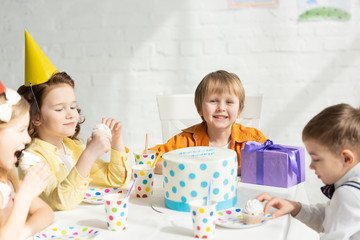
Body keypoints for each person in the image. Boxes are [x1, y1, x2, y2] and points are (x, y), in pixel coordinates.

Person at [16, 31, 131, 211]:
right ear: (35, 117)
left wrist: (117, 142)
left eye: (73, 106)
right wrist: (89, 156)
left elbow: (117, 180)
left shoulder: (72, 148)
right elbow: (60, 202)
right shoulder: (32, 158)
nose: (71, 114)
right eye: (60, 109)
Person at [256, 103, 360, 239]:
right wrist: (294, 207)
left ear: (346, 158)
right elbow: (330, 216)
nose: (311, 166)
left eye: (316, 159)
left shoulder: (348, 195)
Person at [151, 70, 267, 174]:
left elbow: (274, 164)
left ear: (239, 110)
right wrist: (186, 168)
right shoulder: (185, 141)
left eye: (229, 102)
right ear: (199, 108)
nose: (221, 108)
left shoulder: (253, 139)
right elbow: (148, 160)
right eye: (213, 101)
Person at [0, 82, 53, 239]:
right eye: (21, 130)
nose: (28, 138)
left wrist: (20, 233)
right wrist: (24, 197)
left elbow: (46, 213)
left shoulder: (7, 177)